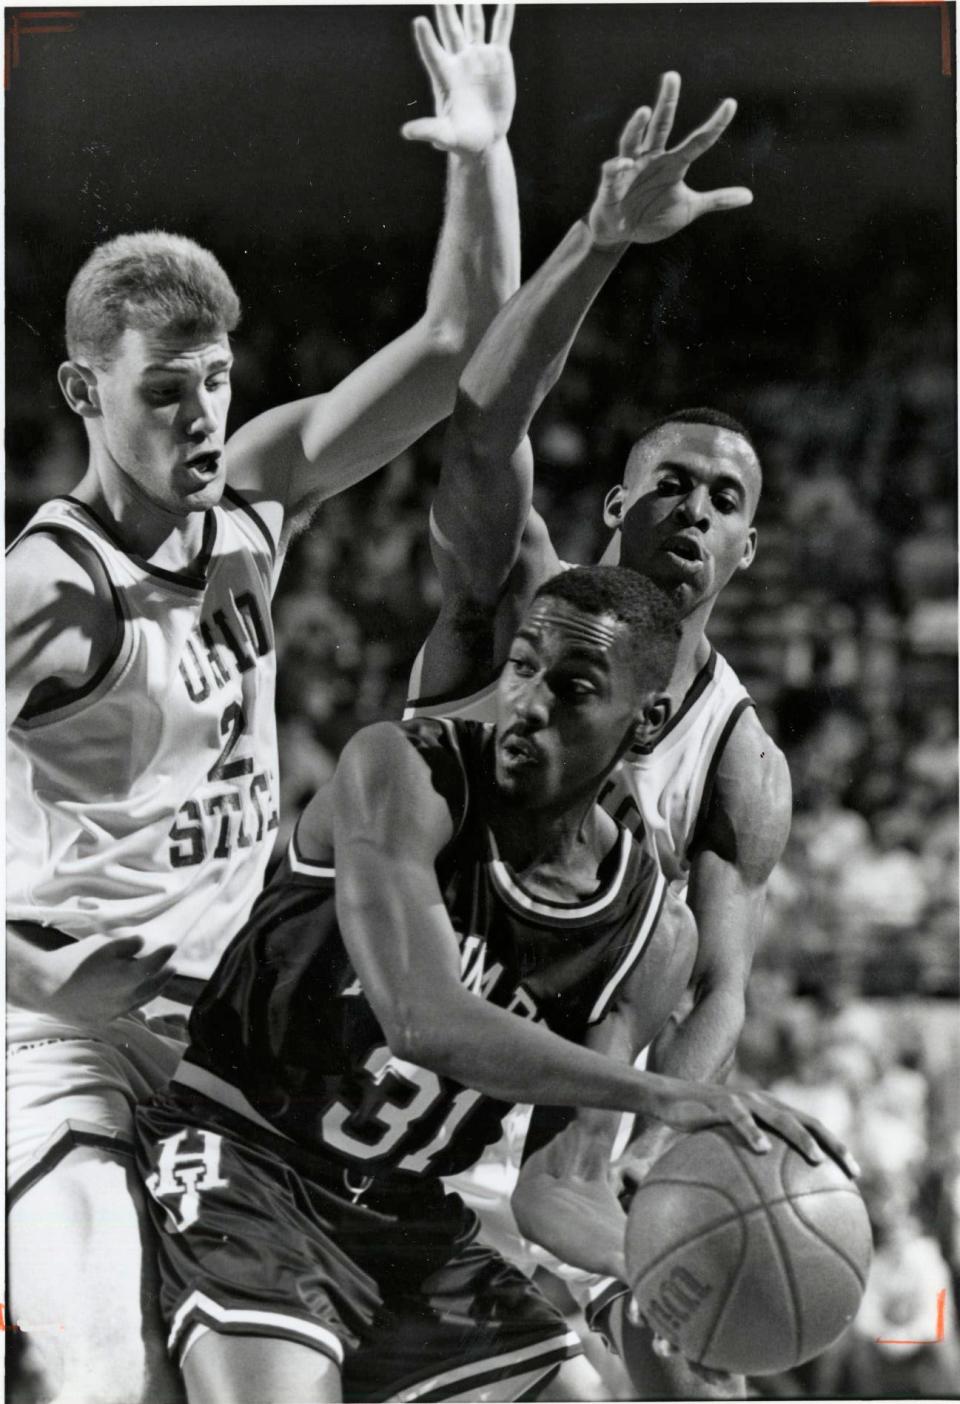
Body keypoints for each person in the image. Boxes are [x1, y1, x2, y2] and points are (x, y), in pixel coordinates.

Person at [5, 8, 520, 1401]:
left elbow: (460, 344)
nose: (198, 420)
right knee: (103, 1367)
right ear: (81, 392)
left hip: (237, 1036)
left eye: (215, 386)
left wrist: (484, 154)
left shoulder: (259, 497)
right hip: (68, 1043)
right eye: (162, 394)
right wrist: (31, 970)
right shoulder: (47, 595)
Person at [134, 566, 841, 1404]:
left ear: (645, 719)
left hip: (408, 1219)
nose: (531, 703)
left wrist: (653, 1270)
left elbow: (559, 1186)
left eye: (574, 687)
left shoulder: (653, 936)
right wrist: (662, 1096)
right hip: (249, 1164)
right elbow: (423, 1020)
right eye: (523, 666)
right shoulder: (403, 771)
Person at [404, 72, 808, 1396]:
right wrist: (597, 242)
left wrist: (650, 1155)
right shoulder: (519, 598)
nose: (693, 507)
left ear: (748, 547)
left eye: (725, 497)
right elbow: (480, 437)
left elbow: (718, 990)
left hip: (525, 1167)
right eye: (671, 482)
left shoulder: (741, 761)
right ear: (618, 501)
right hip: (360, 1076)